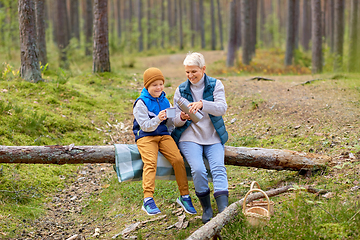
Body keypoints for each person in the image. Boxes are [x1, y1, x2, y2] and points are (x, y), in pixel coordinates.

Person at [172, 52, 229, 224]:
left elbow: (221, 108)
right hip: (189, 138)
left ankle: (224, 210)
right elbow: (174, 120)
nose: (190, 76)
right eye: (187, 72)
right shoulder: (181, 90)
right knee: (198, 170)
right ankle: (206, 208)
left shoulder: (215, 85)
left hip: (213, 136)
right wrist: (182, 118)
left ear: (203, 69)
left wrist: (203, 104)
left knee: (218, 167)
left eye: (194, 72)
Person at [132, 67, 197, 216]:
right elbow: (146, 127)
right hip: (146, 137)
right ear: (147, 86)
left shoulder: (165, 100)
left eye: (161, 84)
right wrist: (158, 118)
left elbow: (172, 122)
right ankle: (147, 200)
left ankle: (184, 196)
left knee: (178, 160)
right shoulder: (140, 103)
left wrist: (181, 118)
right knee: (150, 162)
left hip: (163, 135)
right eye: (154, 85)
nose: (159, 88)